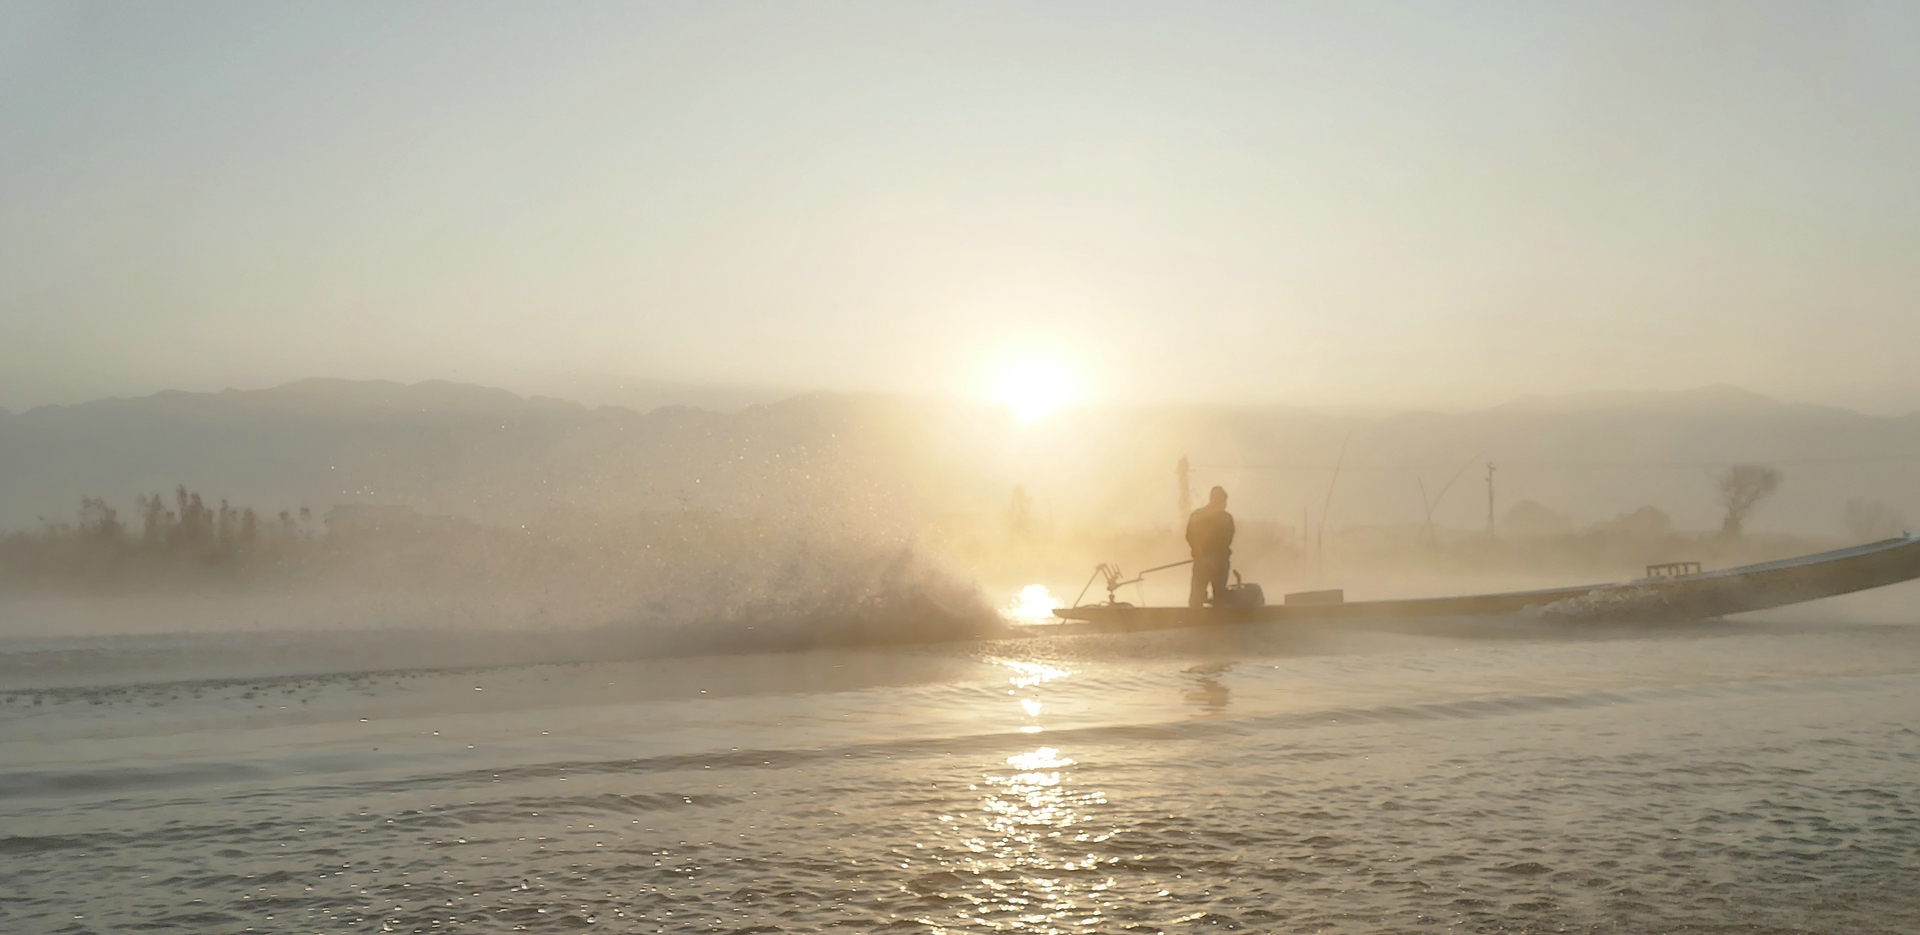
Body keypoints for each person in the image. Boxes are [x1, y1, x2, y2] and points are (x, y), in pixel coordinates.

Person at [1186, 485, 1236, 608]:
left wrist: (1198, 553)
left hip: (1204, 561)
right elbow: (1228, 540)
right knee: (1219, 597)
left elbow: (1189, 536)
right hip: (1218, 562)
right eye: (1224, 501)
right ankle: (1216, 619)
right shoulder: (1226, 518)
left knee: (1197, 597)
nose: (1225, 504)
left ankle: (1195, 616)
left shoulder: (1197, 515)